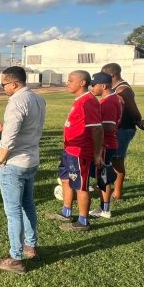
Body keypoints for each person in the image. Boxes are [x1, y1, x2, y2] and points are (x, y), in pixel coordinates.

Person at [0, 66, 46, 275]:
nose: (2, 87)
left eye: (3, 84)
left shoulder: (16, 102)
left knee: (13, 211)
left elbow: (10, 139)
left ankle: (15, 257)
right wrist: (3, 128)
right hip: (32, 160)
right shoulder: (37, 99)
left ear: (14, 83)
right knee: (28, 205)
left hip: (14, 164)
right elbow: (29, 127)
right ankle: (30, 245)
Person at [46, 70, 103, 232]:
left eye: (71, 81)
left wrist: (97, 153)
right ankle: (66, 212)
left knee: (81, 185)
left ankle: (83, 221)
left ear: (82, 83)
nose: (67, 83)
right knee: (65, 179)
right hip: (69, 150)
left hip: (80, 152)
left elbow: (97, 130)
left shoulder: (88, 101)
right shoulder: (80, 100)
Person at [101, 63, 144, 204]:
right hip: (118, 129)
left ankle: (118, 193)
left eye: (103, 75)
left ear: (112, 75)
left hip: (123, 129)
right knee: (113, 160)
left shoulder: (123, 89)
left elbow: (134, 109)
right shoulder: (115, 88)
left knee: (117, 161)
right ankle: (112, 189)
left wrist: (140, 121)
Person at [88, 72, 123, 219]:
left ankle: (105, 210)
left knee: (103, 177)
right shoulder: (112, 99)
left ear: (103, 86)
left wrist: (90, 126)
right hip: (107, 143)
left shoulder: (108, 102)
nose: (92, 88)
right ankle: (103, 208)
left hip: (106, 144)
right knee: (101, 176)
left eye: (94, 85)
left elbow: (109, 126)